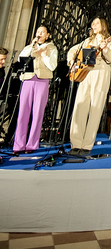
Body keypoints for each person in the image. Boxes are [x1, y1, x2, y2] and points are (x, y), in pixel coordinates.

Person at [67, 17, 111, 157]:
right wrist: (71, 61)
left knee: (95, 108)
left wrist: (105, 49)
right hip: (86, 74)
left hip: (101, 73)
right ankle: (76, 143)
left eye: (97, 23)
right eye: (93, 23)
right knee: (80, 107)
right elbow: (72, 50)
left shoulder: (110, 41)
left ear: (103, 26)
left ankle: (87, 145)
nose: (94, 25)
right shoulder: (87, 41)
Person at [13, 25, 58, 154]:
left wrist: (44, 55)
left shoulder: (52, 48)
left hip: (42, 80)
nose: (40, 34)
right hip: (28, 79)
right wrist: (31, 46)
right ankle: (18, 145)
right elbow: (21, 60)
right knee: (23, 112)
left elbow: (52, 66)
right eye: (38, 31)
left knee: (37, 113)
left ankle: (32, 144)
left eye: (43, 32)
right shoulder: (29, 47)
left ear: (48, 35)